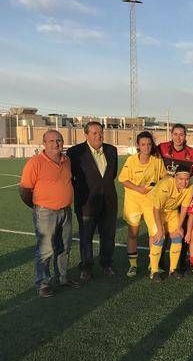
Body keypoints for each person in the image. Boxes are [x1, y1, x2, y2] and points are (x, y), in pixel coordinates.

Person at [19, 130, 79, 297]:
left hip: (65, 211)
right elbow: (24, 189)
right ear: (44, 143)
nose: (56, 143)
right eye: (51, 140)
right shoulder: (35, 162)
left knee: (64, 247)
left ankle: (63, 277)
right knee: (45, 250)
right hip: (45, 212)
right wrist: (38, 206)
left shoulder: (67, 160)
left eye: (59, 140)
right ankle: (43, 284)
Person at [67, 121, 118, 280]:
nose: (98, 135)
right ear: (86, 134)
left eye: (100, 132)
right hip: (86, 204)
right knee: (86, 238)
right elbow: (71, 177)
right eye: (94, 133)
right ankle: (86, 268)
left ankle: (106, 264)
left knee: (108, 237)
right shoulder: (75, 152)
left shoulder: (111, 150)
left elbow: (112, 175)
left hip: (109, 202)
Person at [118, 131, 167, 277]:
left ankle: (153, 265)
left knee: (155, 233)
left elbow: (164, 176)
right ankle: (133, 265)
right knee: (133, 234)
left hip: (150, 202)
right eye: (143, 144)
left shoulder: (157, 160)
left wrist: (160, 185)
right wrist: (138, 188)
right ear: (138, 146)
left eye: (149, 144)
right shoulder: (131, 161)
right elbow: (123, 179)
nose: (146, 147)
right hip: (133, 202)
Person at [146, 165, 193, 281]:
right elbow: (156, 209)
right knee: (159, 237)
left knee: (177, 235)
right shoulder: (166, 185)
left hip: (171, 210)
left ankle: (173, 269)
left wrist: (180, 226)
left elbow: (184, 207)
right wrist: (160, 228)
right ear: (175, 177)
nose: (184, 182)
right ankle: (154, 271)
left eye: (186, 179)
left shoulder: (190, 186)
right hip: (152, 208)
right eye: (180, 179)